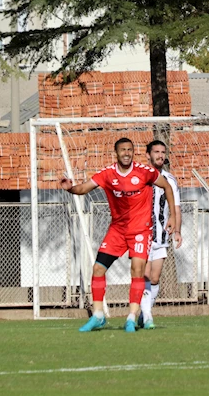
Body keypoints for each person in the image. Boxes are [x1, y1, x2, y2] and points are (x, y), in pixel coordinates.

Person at [60, 137, 176, 333]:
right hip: (117, 230)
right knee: (98, 268)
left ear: (133, 152)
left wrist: (172, 216)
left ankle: (132, 317)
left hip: (140, 230)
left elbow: (167, 187)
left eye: (130, 149)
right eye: (123, 150)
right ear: (116, 153)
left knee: (137, 270)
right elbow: (83, 189)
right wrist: (70, 188)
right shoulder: (108, 174)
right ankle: (98, 316)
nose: (126, 153)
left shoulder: (145, 172)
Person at [139, 140, 182, 329]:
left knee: (155, 279)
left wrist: (178, 231)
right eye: (156, 152)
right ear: (148, 155)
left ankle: (144, 312)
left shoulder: (170, 180)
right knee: (145, 275)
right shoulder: (139, 176)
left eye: (163, 152)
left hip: (161, 236)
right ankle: (147, 316)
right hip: (141, 235)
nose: (160, 155)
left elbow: (177, 209)